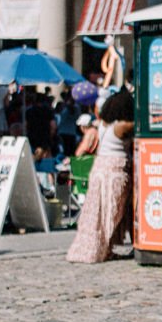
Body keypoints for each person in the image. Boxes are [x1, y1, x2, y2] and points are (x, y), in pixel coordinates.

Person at [67, 91, 135, 263]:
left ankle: (98, 248)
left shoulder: (104, 124)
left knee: (98, 212)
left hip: (99, 169)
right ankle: (102, 249)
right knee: (111, 212)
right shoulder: (122, 126)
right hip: (114, 171)